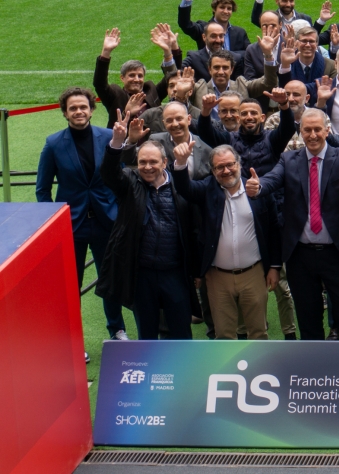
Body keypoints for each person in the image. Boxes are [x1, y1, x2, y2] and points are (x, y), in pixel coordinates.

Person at [245, 108, 339, 341]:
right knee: (308, 318)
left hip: (338, 253)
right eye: (307, 130)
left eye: (317, 130)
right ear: (300, 132)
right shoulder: (289, 159)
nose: (312, 135)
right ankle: (314, 372)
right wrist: (259, 186)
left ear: (327, 130)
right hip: (300, 255)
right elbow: (272, 179)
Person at [97, 109, 200, 340]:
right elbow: (109, 173)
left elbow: (193, 231)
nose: (147, 167)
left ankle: (184, 374)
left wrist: (196, 270)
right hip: (142, 274)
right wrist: (117, 141)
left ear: (165, 162)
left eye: (153, 162)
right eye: (142, 162)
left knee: (181, 332)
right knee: (147, 333)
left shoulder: (181, 188)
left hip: (174, 272)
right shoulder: (130, 184)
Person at [36, 87, 128, 346]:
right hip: (70, 226)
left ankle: (117, 330)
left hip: (106, 222)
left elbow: (121, 179)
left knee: (109, 279)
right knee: (69, 286)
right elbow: (42, 189)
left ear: (91, 109)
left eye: (83, 107)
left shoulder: (109, 137)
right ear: (65, 113)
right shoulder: (54, 143)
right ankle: (73, 340)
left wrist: (118, 211)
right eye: (73, 108)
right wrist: (53, 220)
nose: (79, 111)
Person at [173, 143, 280, 340]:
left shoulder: (257, 190)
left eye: (230, 164)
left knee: (258, 332)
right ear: (212, 171)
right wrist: (180, 163)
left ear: (239, 164)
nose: (226, 170)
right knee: (224, 335)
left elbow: (273, 229)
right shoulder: (207, 190)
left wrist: (274, 266)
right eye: (219, 167)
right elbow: (185, 188)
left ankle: (260, 370)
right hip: (218, 277)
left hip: (253, 274)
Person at [93, 26, 176, 128]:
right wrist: (106, 52)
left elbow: (173, 77)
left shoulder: (151, 90)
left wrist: (168, 52)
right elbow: (99, 84)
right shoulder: (115, 95)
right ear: (122, 78)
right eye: (131, 75)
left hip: (153, 141)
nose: (136, 79)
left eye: (140, 76)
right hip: (124, 141)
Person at [179, 0, 249, 51]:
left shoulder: (240, 33)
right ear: (214, 9)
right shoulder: (204, 28)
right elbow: (185, 24)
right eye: (222, 7)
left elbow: (249, 54)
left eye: (229, 8)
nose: (226, 11)